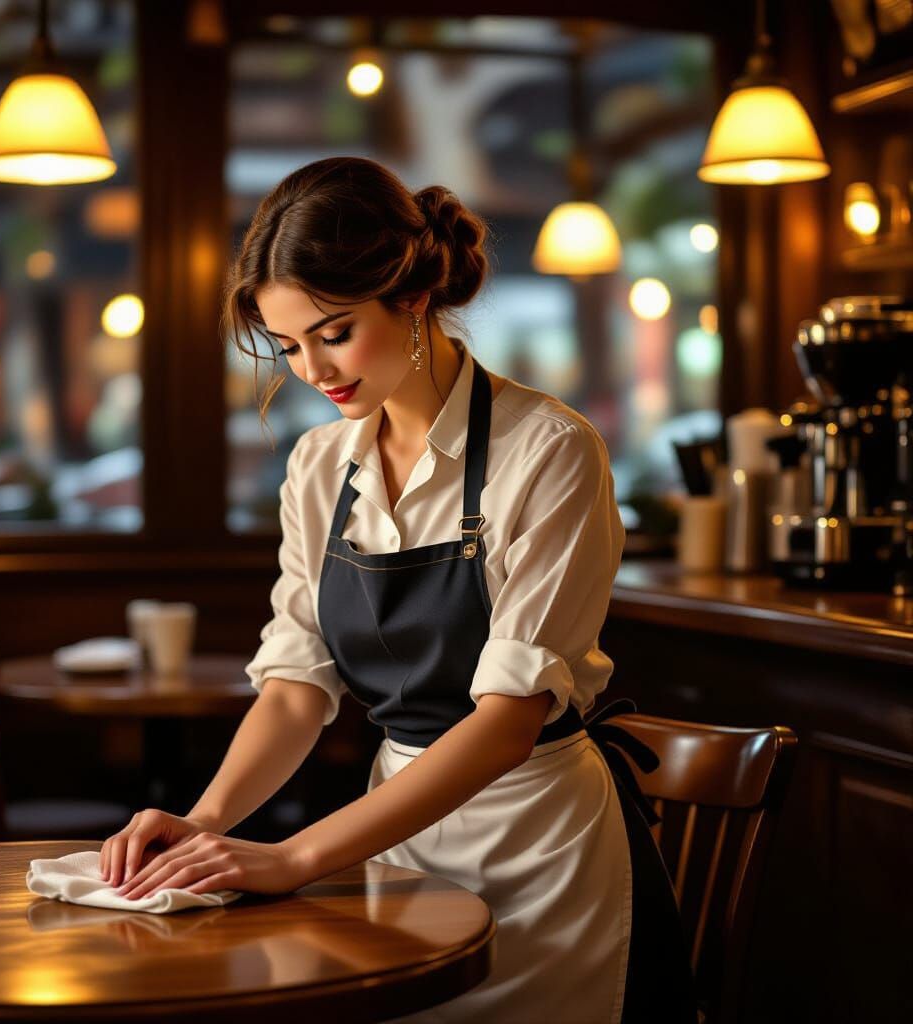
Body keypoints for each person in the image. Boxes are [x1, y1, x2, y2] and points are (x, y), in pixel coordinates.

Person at [99, 156, 697, 1023]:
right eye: (290, 345)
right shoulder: (318, 465)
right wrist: (208, 822)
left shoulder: (550, 452)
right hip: (396, 839)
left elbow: (504, 724)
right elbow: (298, 688)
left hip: (541, 848)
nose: (312, 369)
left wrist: (298, 858)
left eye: (333, 333)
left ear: (411, 297)